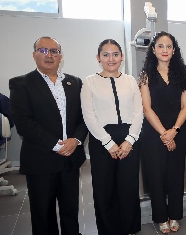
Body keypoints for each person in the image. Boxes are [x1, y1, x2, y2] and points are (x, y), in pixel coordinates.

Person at [9, 36, 88, 235]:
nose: (49, 55)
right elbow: (24, 123)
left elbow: (83, 117)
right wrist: (56, 145)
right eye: (43, 50)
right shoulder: (21, 84)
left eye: (54, 51)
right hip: (40, 158)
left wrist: (76, 140)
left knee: (71, 209)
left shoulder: (74, 82)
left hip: (70, 158)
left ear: (61, 56)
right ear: (34, 54)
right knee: (43, 213)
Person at [80, 39, 143, 235]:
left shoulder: (131, 81)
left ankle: (129, 228)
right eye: (105, 54)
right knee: (104, 188)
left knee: (128, 186)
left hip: (129, 140)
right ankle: (108, 230)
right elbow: (89, 115)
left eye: (115, 54)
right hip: (102, 141)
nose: (111, 58)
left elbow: (138, 112)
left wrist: (130, 140)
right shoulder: (89, 82)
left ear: (122, 57)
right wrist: (108, 143)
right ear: (98, 58)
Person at [139, 31, 186, 234]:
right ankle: (161, 217)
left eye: (168, 46)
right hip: (154, 131)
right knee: (156, 175)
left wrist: (175, 131)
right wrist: (164, 133)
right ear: (153, 50)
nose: (164, 50)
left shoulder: (182, 74)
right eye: (160, 46)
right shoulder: (146, 76)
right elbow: (146, 108)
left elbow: (185, 106)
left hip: (177, 129)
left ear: (174, 50)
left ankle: (174, 215)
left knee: (176, 174)